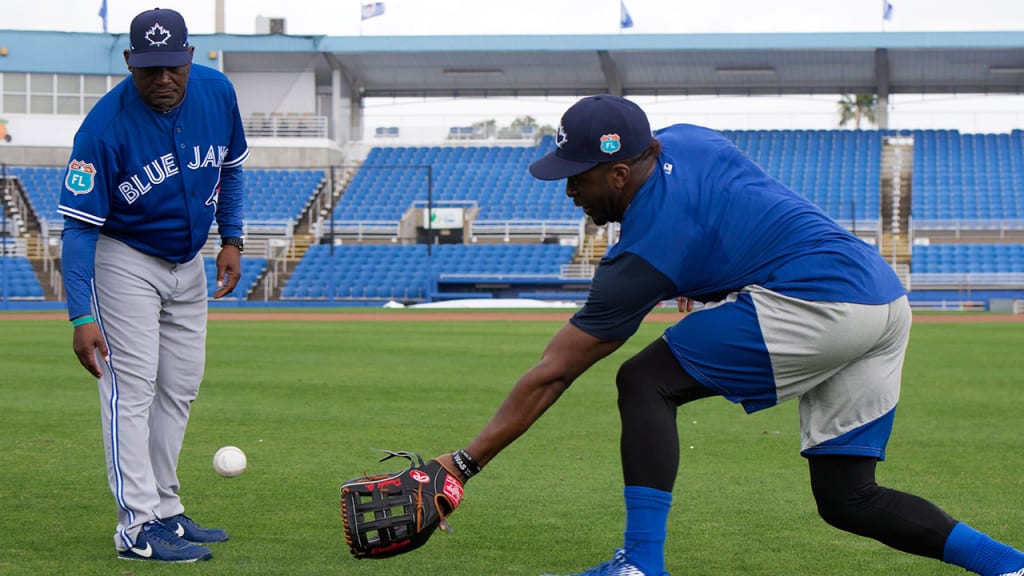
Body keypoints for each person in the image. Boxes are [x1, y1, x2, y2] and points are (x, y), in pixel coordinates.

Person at [433, 94, 1024, 576]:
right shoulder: (689, 136)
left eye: (577, 179)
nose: (569, 192)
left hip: (818, 300)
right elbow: (739, 206)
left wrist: (462, 464)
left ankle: (639, 566)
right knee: (848, 498)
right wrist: (717, 276)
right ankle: (1009, 566)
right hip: (883, 297)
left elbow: (553, 372)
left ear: (618, 174)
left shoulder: (643, 251)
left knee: (644, 381)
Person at [58, 7, 248, 563]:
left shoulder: (217, 92)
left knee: (180, 386)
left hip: (188, 261)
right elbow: (77, 229)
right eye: (149, 70)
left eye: (172, 66)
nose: (162, 80)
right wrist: (79, 316)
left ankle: (165, 508)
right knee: (132, 389)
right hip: (124, 259)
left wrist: (231, 238)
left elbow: (232, 168)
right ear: (128, 64)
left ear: (189, 58)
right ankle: (136, 528)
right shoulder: (103, 128)